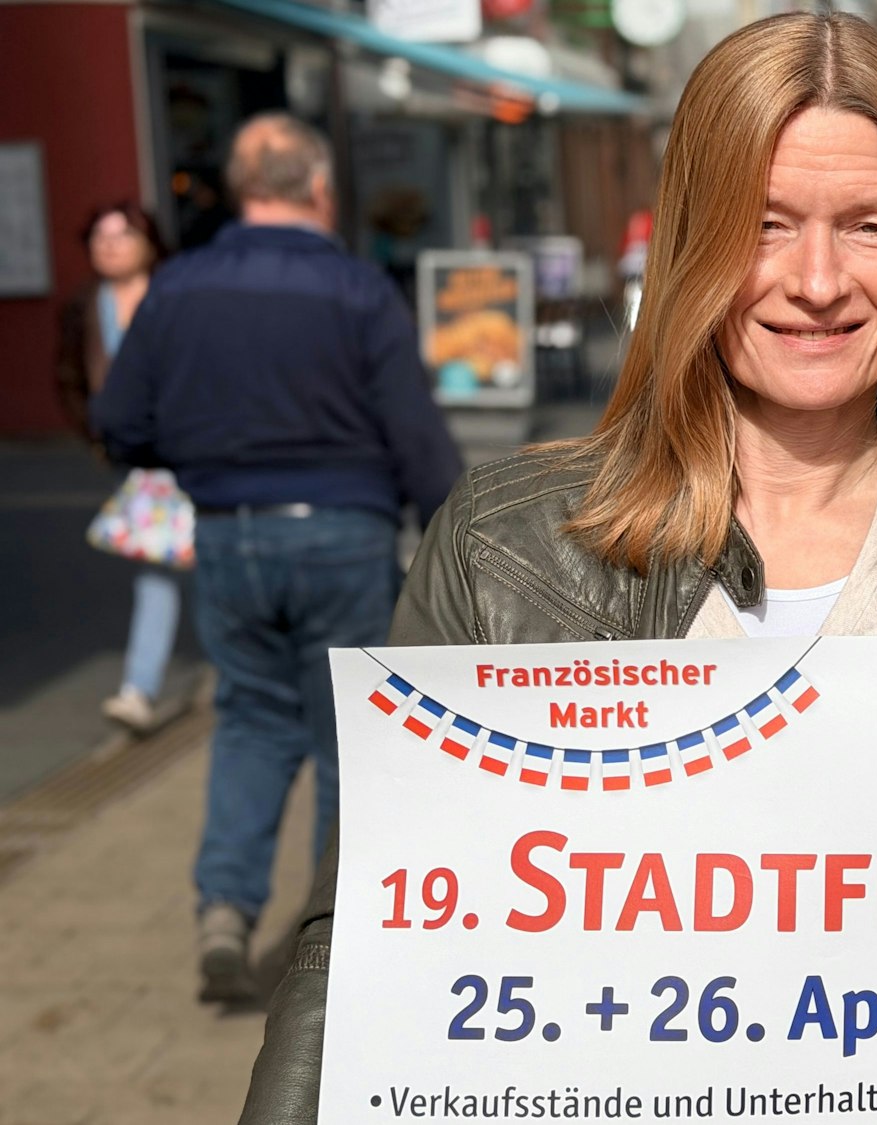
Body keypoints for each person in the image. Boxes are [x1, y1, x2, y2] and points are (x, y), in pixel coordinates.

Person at [238, 14, 877, 1121]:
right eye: (764, 224)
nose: (818, 280)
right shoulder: (504, 544)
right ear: (690, 239)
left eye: (868, 227)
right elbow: (362, 932)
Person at [92, 112, 463, 1005]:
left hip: (226, 531)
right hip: (343, 532)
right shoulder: (358, 288)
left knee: (253, 719)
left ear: (236, 188)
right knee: (349, 742)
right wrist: (450, 535)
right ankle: (328, 939)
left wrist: (203, 452)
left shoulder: (178, 288)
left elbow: (120, 423)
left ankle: (224, 909)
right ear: (321, 190)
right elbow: (415, 437)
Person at [55, 202, 183, 732]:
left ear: (150, 241)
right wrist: (98, 439)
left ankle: (244, 677)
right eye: (99, 235)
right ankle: (139, 687)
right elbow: (68, 377)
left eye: (123, 234)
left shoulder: (179, 295)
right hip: (136, 462)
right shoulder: (84, 306)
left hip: (197, 451)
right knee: (157, 569)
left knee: (218, 562)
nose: (109, 245)